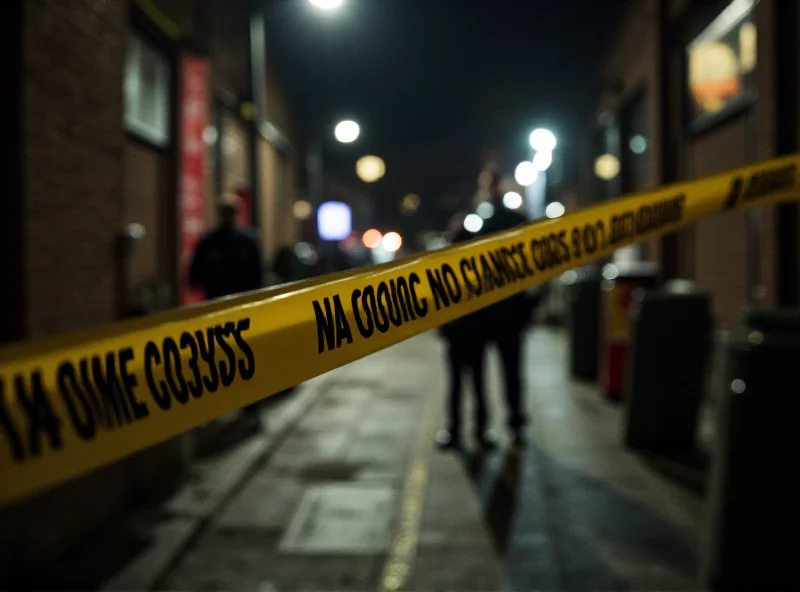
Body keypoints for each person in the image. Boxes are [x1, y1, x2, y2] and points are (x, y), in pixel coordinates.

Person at [478, 171, 542, 447]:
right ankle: (499, 426)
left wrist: (528, 307)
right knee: (503, 373)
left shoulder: (502, 223)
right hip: (495, 314)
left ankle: (507, 424)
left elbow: (539, 266)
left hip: (504, 314)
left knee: (510, 373)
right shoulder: (487, 224)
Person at [189, 193, 264, 420]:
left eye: (231, 211)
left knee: (245, 357)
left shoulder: (248, 240)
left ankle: (250, 406)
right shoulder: (209, 242)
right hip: (217, 311)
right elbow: (194, 276)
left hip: (243, 312)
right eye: (225, 211)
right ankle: (219, 404)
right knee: (216, 359)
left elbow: (258, 276)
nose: (228, 216)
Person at [435, 214, 497, 452]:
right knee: (478, 384)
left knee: (456, 385)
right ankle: (481, 432)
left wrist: (442, 328)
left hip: (457, 334)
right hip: (475, 334)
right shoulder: (480, 266)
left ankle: (454, 431)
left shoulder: (447, 266)